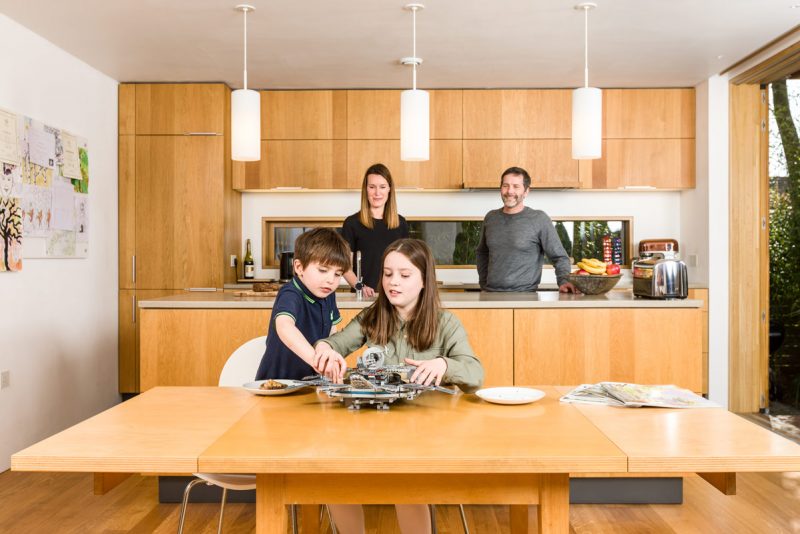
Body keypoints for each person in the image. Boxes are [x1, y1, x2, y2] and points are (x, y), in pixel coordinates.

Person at [313, 239, 484, 534]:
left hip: (427, 436)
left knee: (407, 484)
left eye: (404, 275)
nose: (393, 282)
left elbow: (475, 373)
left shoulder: (446, 323)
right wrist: (325, 348)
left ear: (424, 280)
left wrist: (444, 365)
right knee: (335, 478)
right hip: (371, 433)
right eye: (388, 273)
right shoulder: (371, 317)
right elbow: (335, 343)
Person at [254, 227, 352, 381]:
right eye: (323, 270)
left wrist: (329, 354)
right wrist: (316, 361)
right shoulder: (291, 293)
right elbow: (284, 326)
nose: (331, 280)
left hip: (309, 382)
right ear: (299, 267)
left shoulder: (328, 294)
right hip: (279, 382)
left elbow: (332, 330)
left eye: (337, 274)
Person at [476, 167, 577, 293]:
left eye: (516, 186)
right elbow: (482, 253)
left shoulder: (539, 219)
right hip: (490, 295)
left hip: (525, 296)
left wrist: (564, 281)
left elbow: (560, 256)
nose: (510, 191)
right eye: (505, 186)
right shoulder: (491, 218)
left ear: (526, 191)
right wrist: (484, 284)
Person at [341, 163, 409, 298]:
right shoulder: (351, 223)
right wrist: (360, 287)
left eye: (382, 187)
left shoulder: (401, 223)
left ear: (389, 189)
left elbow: (406, 265)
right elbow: (345, 266)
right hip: (363, 297)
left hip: (394, 297)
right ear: (365, 189)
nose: (377, 193)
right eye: (372, 187)